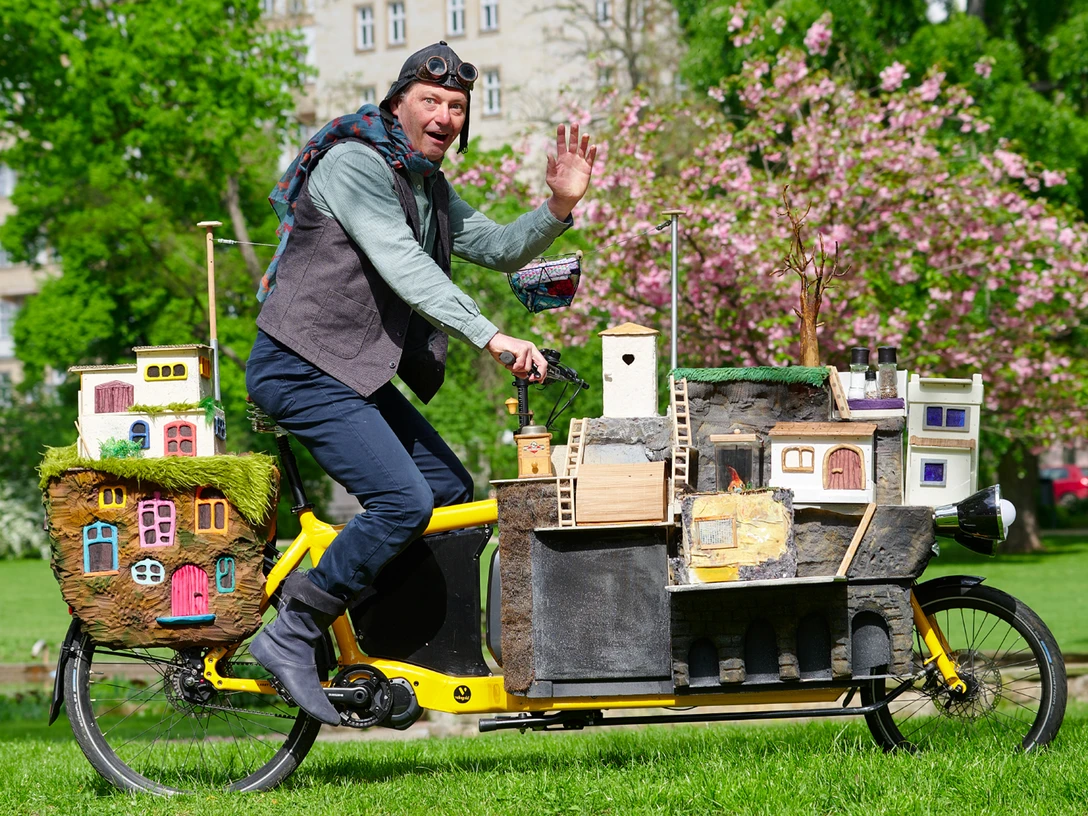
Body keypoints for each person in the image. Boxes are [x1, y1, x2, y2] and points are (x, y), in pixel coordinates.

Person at [245, 41, 597, 724]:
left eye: (456, 106)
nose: (443, 116)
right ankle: (293, 629)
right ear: (398, 103)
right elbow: (405, 265)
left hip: (349, 373)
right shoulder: (356, 163)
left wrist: (558, 205)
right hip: (299, 366)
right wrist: (492, 336)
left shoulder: (426, 184)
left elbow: (497, 248)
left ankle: (391, 655)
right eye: (430, 100)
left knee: (446, 490)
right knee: (403, 501)